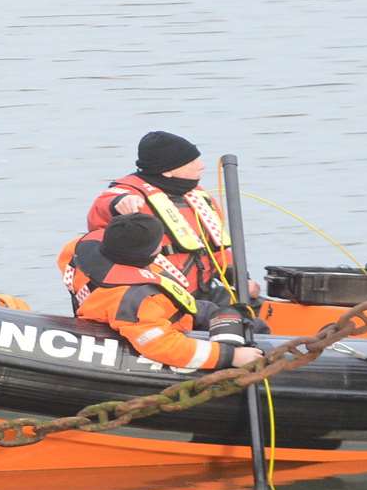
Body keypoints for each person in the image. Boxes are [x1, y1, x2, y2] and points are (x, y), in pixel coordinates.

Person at [58, 214, 264, 370]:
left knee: (235, 313)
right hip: (171, 325)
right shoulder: (135, 299)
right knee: (255, 330)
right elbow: (163, 346)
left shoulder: (76, 250)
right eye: (159, 243)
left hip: (181, 310)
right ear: (148, 254)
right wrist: (229, 356)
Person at [87, 131, 253, 304]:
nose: (201, 165)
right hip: (162, 298)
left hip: (203, 292)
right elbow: (100, 211)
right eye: (192, 162)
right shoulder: (129, 193)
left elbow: (215, 249)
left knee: (253, 307)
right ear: (167, 172)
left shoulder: (197, 196)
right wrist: (119, 203)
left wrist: (241, 280)